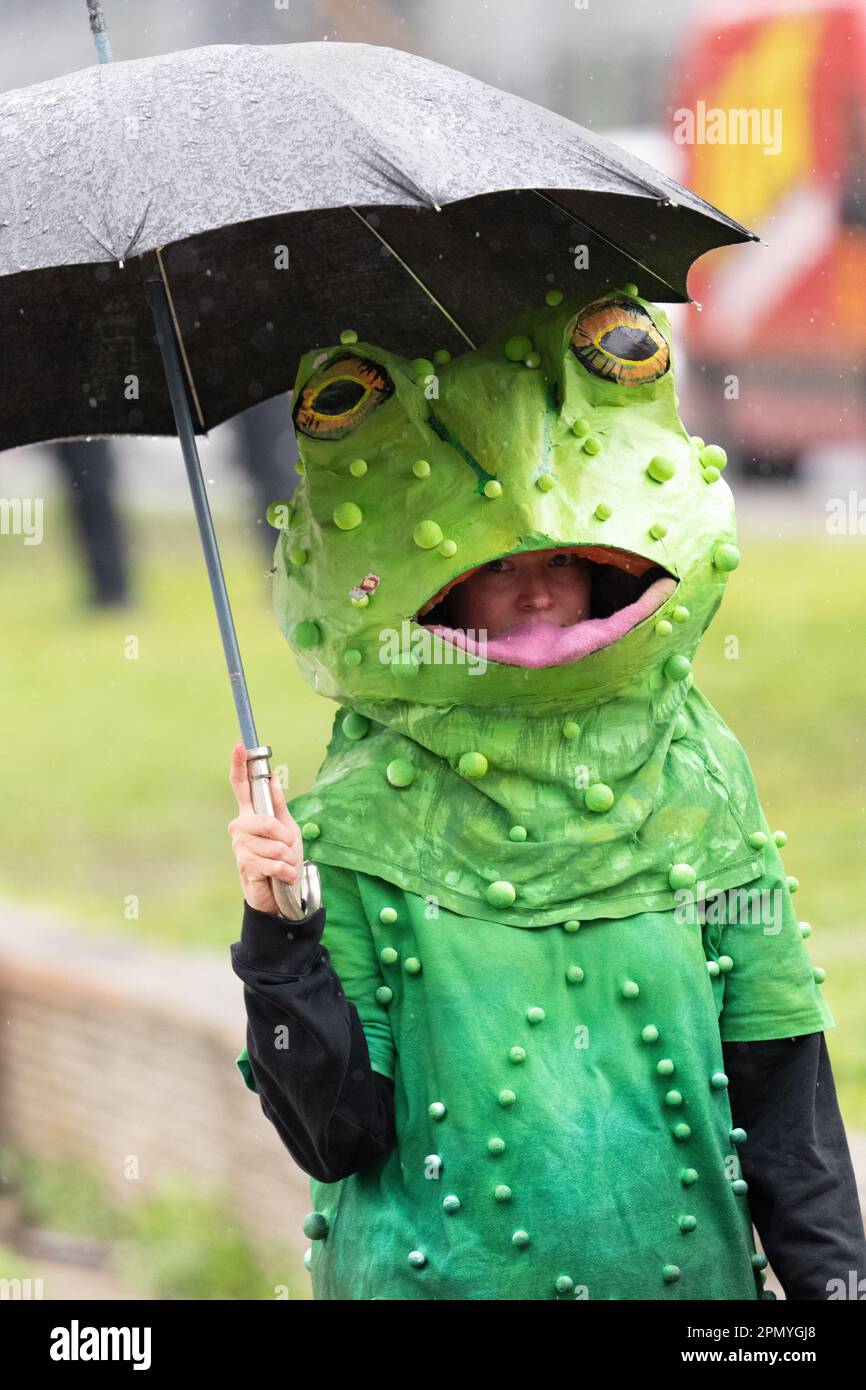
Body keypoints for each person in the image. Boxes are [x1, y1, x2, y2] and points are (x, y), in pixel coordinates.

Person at [229, 287, 866, 1300]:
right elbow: (335, 1133)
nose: (536, 592)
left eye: (563, 559)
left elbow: (781, 1090)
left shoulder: (699, 779)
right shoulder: (349, 824)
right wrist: (279, 933)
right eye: (497, 567)